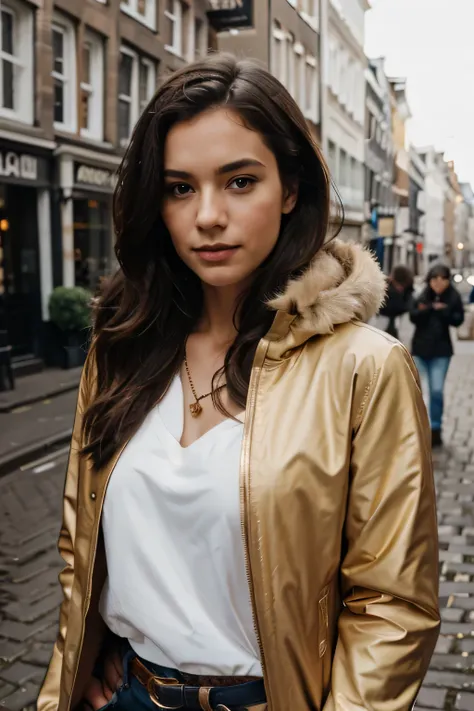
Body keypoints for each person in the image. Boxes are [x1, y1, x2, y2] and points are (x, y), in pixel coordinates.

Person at [38, 54, 439, 711]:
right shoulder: (121, 350)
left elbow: (392, 606)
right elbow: (77, 546)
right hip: (125, 694)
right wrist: (82, 665)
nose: (208, 216)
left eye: (240, 181)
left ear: (290, 189)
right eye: (179, 188)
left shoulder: (364, 368)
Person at [410, 263, 464, 447]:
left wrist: (444, 310)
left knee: (436, 391)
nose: (439, 283)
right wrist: (429, 309)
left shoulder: (453, 296)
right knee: (414, 392)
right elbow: (413, 315)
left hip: (441, 351)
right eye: (435, 279)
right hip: (420, 349)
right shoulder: (421, 294)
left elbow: (458, 320)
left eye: (443, 279)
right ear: (429, 280)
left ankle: (435, 428)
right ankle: (414, 428)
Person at [378, 264, 414, 338]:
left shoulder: (409, 294)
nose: (400, 288)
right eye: (398, 284)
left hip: (400, 329)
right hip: (381, 327)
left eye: (403, 285)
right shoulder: (382, 290)